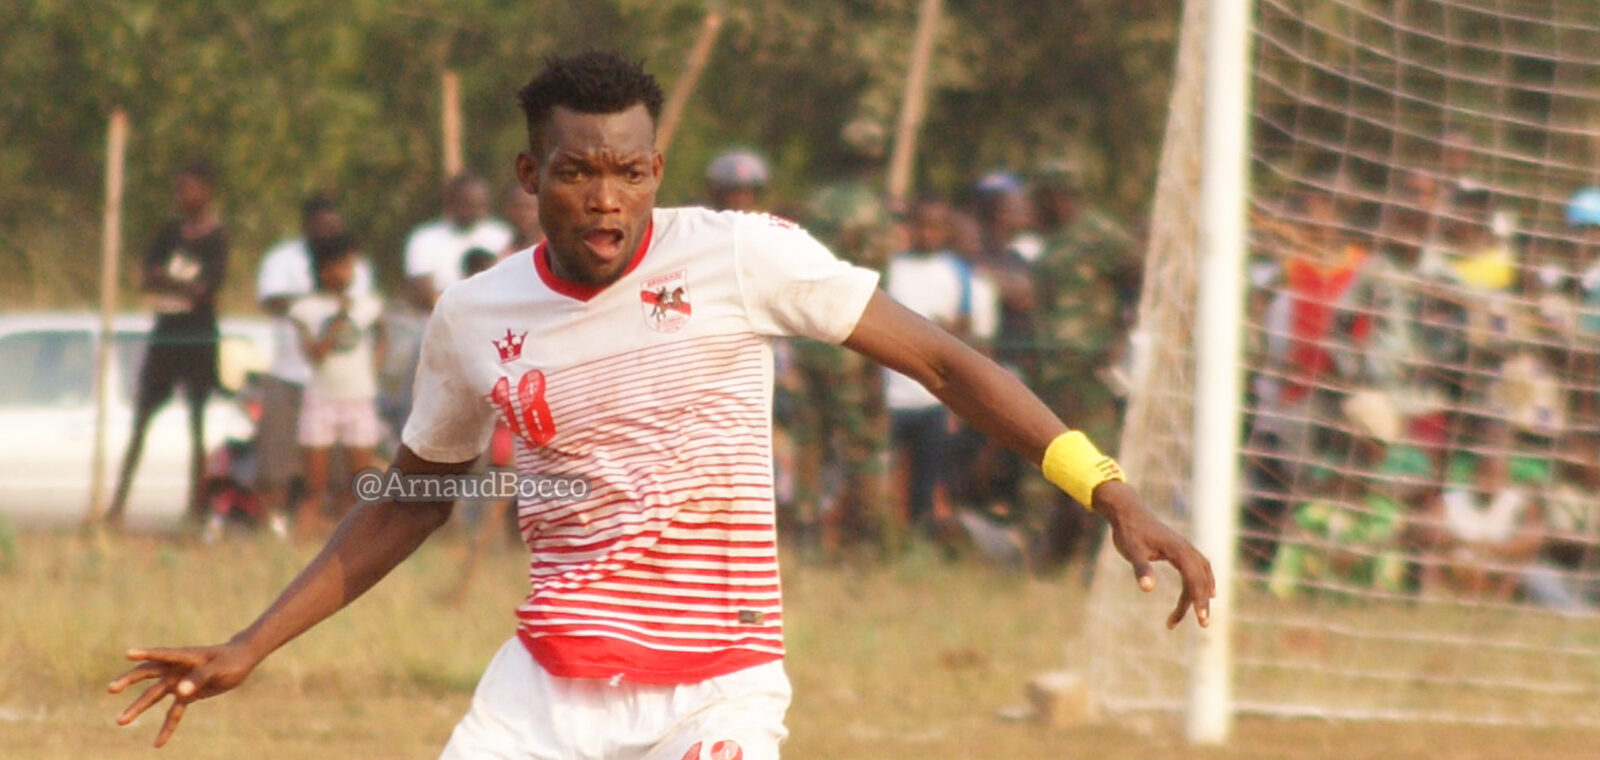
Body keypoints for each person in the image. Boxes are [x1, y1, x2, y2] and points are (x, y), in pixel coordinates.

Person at [109, 51, 1213, 759]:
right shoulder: (471, 316)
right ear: (529, 174)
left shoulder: (740, 256)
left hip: (718, 687)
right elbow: (410, 500)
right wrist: (251, 643)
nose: (608, 198)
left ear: (656, 167)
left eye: (630, 172)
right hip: (544, 693)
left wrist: (1106, 489)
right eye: (578, 171)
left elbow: (944, 365)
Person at [105, 160, 230, 529]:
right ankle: (117, 506)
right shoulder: (168, 231)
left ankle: (195, 510)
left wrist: (168, 281)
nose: (180, 197)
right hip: (166, 334)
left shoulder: (218, 237)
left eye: (187, 189)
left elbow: (207, 289)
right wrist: (180, 286)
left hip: (197, 336)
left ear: (206, 191)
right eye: (178, 189)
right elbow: (147, 278)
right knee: (142, 417)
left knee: (197, 423)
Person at [254, 192, 376, 538]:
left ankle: (342, 535)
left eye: (333, 227)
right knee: (277, 465)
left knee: (343, 474)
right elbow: (273, 301)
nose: (327, 233)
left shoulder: (357, 265)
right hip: (288, 374)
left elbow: (364, 312)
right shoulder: (283, 259)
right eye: (320, 226)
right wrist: (319, 297)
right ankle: (270, 532)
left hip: (343, 386)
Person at [287, 233, 386, 540]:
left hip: (358, 399)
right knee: (314, 486)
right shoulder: (306, 309)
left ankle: (355, 544)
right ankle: (302, 541)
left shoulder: (368, 305)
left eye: (350, 266)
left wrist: (372, 369)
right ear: (325, 270)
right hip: (321, 399)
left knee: (359, 485)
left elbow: (382, 336)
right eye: (341, 267)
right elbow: (314, 354)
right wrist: (336, 325)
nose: (347, 273)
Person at [403, 173, 514, 305]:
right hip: (441, 313)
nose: (473, 211)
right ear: (450, 203)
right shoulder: (425, 239)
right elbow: (423, 293)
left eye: (479, 205)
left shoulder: (503, 236)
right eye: (466, 204)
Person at [705, 149, 770, 212]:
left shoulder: (761, 218)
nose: (741, 199)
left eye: (746, 193)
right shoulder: (704, 217)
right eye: (734, 193)